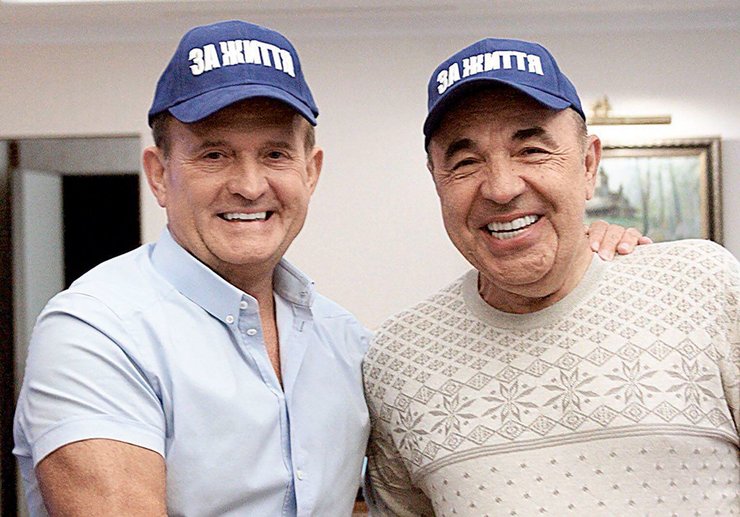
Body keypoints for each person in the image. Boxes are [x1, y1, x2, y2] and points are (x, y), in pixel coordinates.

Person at [13, 21, 645, 515]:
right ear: (159, 175)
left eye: (275, 154)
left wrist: (588, 258)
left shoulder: (346, 343)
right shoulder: (98, 331)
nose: (250, 185)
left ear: (310, 172)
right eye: (214, 155)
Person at [363, 37, 739, 516]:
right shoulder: (397, 357)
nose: (501, 188)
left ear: (588, 165)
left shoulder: (702, 285)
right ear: (436, 179)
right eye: (466, 162)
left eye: (532, 150)